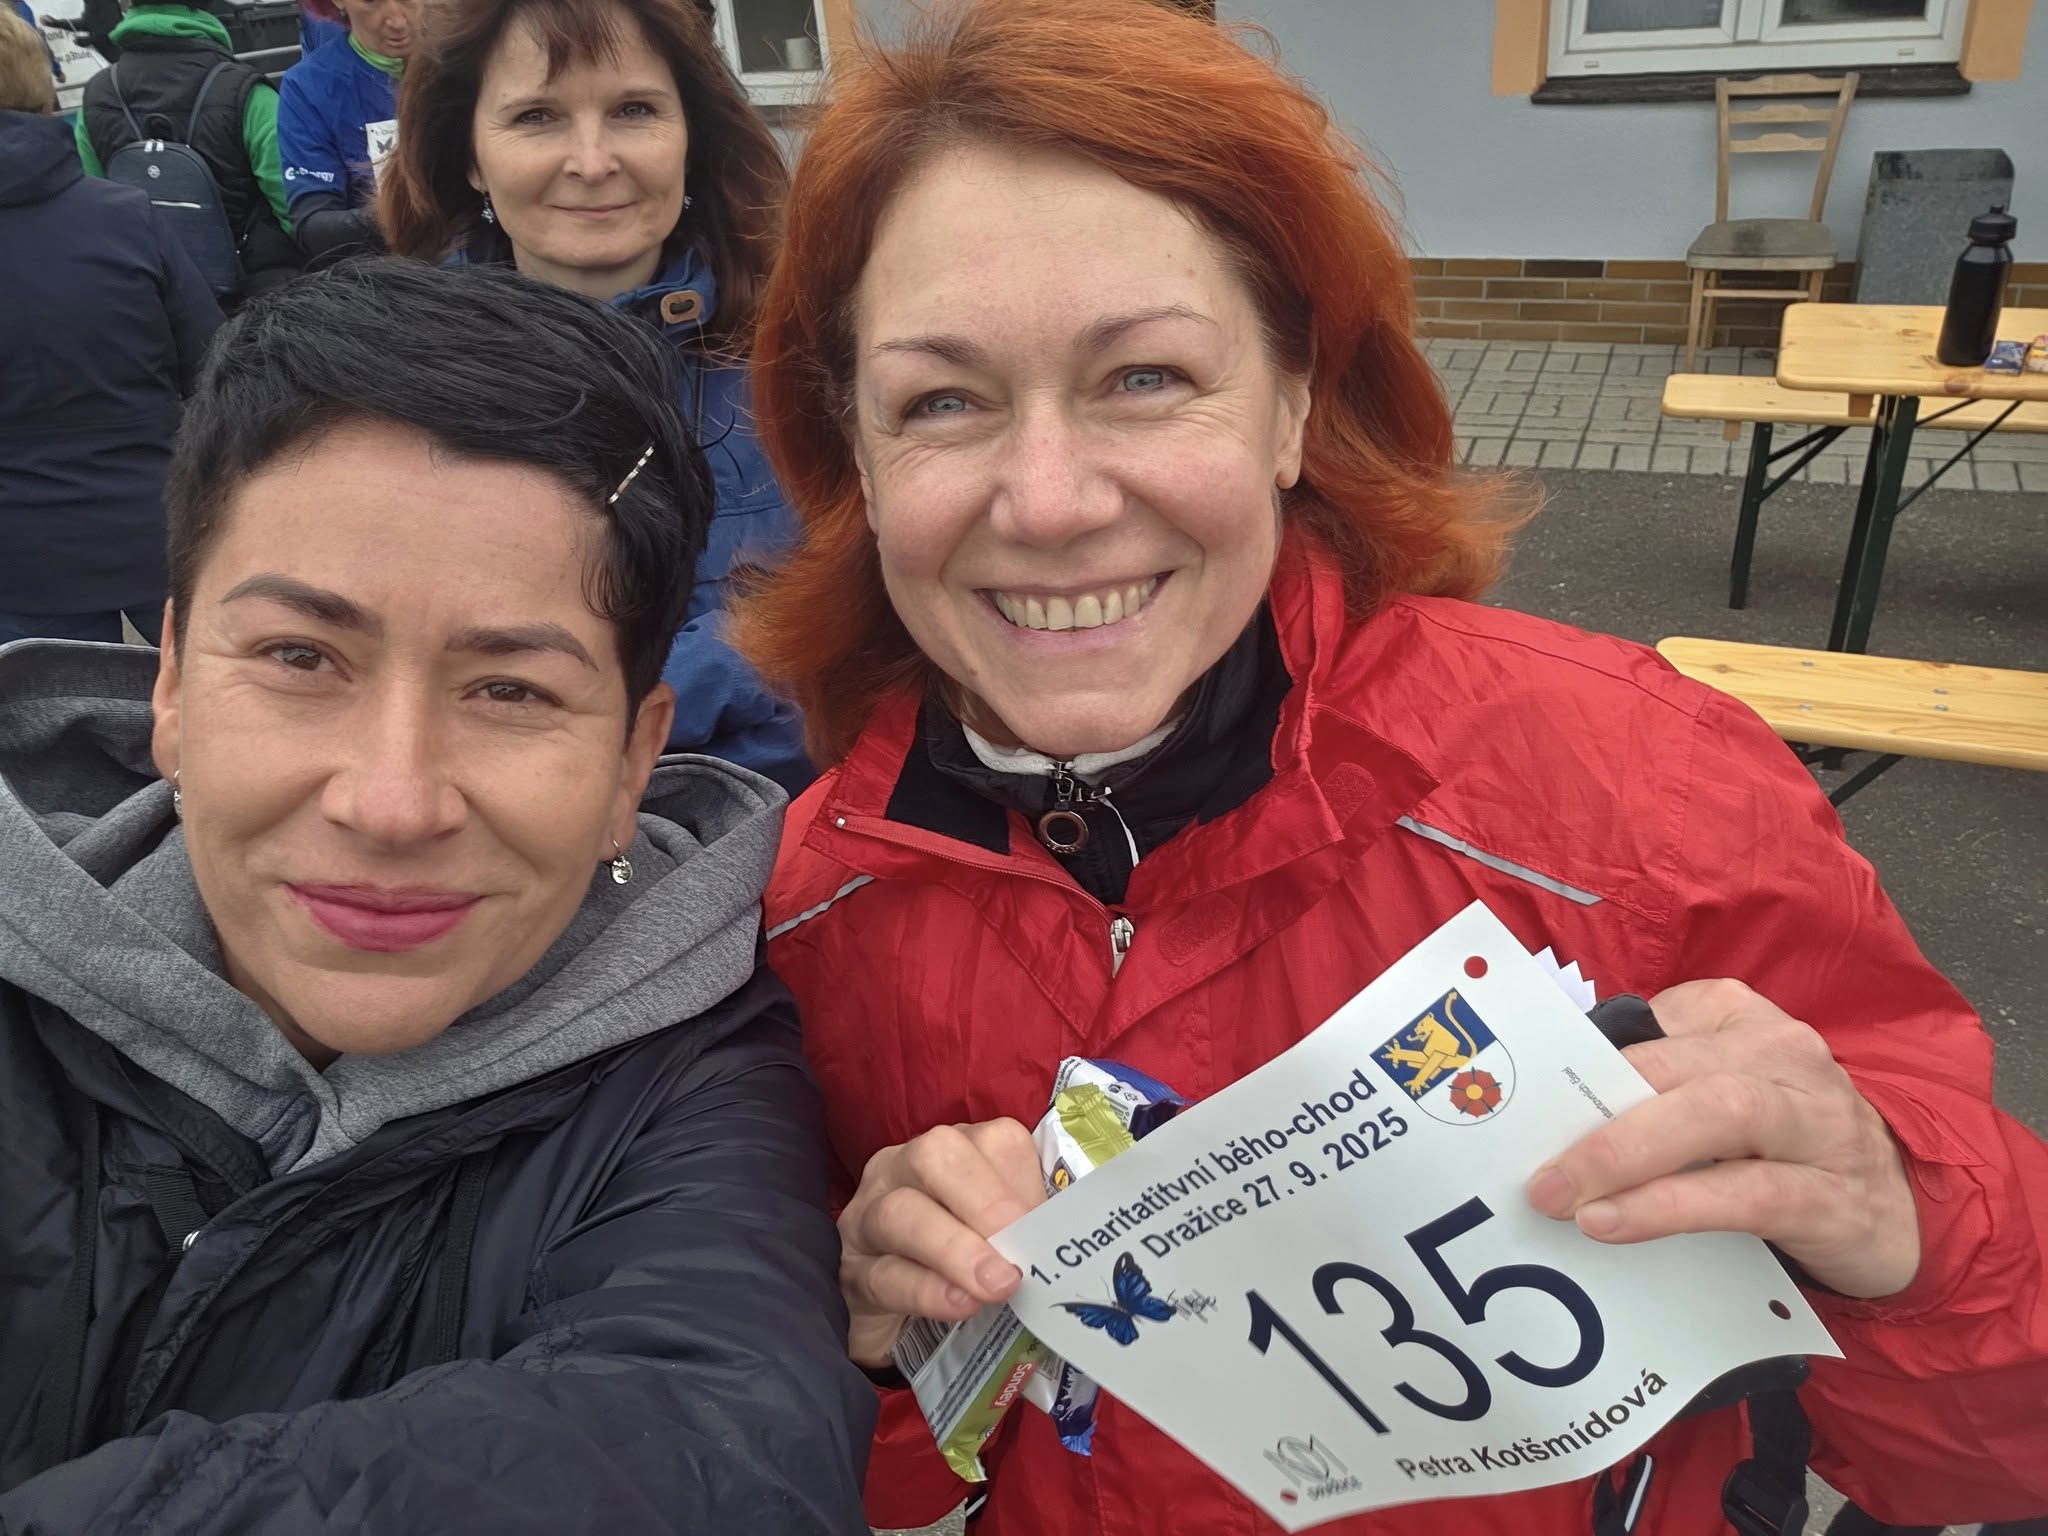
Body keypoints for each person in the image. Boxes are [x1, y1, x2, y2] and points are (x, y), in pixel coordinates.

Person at [734, 3, 2048, 1533]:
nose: (1048, 499)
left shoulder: (1641, 793)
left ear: (1293, 402)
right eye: (943, 401)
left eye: (1144, 376)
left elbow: (1991, 1451)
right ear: (857, 455)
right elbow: (886, 1478)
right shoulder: (821, 901)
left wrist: (1897, 1225)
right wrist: (880, 1346)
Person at [0, 258, 874, 1533]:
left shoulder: (698, 1083)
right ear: (171, 687)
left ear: (632, 761)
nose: (392, 803)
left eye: (509, 690)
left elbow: (724, 1431)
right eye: (302, 657)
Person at [380, 0, 810, 793]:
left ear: (692, 134)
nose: (592, 160)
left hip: (790, 828)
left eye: (633, 110)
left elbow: (844, 613)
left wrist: (588, 705)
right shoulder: (385, 388)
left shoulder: (803, 357)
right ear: (469, 154)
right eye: (536, 117)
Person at [0, 9, 221, 646]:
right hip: (157, 519)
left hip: (19, 559)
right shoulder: (127, 216)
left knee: (50, 709)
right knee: (215, 697)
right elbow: (214, 365)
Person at [73, 0, 301, 303]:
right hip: (260, 297)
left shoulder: (96, 95)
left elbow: (98, 209)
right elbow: (293, 206)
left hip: (157, 295)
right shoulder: (247, 91)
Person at [277, 0, 417, 264]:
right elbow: (314, 227)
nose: (397, 21)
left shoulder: (470, 59)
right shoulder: (310, 86)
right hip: (390, 274)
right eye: (372, 1)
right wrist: (408, 210)